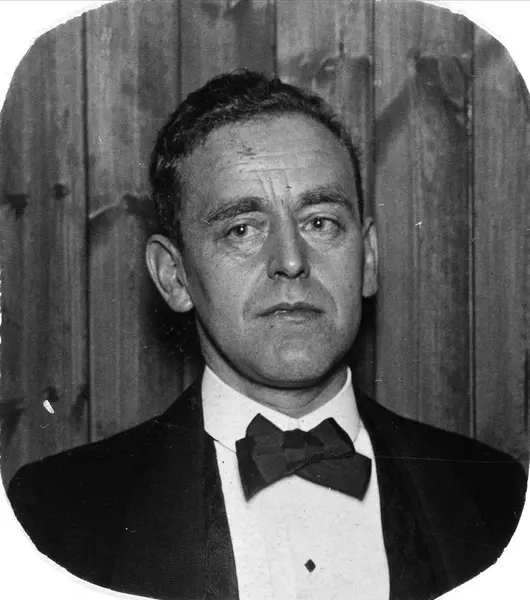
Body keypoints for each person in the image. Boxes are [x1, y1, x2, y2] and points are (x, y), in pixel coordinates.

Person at [6, 70, 526, 600]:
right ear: (174, 277)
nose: (292, 261)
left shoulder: (499, 496)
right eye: (241, 229)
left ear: (368, 259)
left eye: (320, 222)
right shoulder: (52, 517)